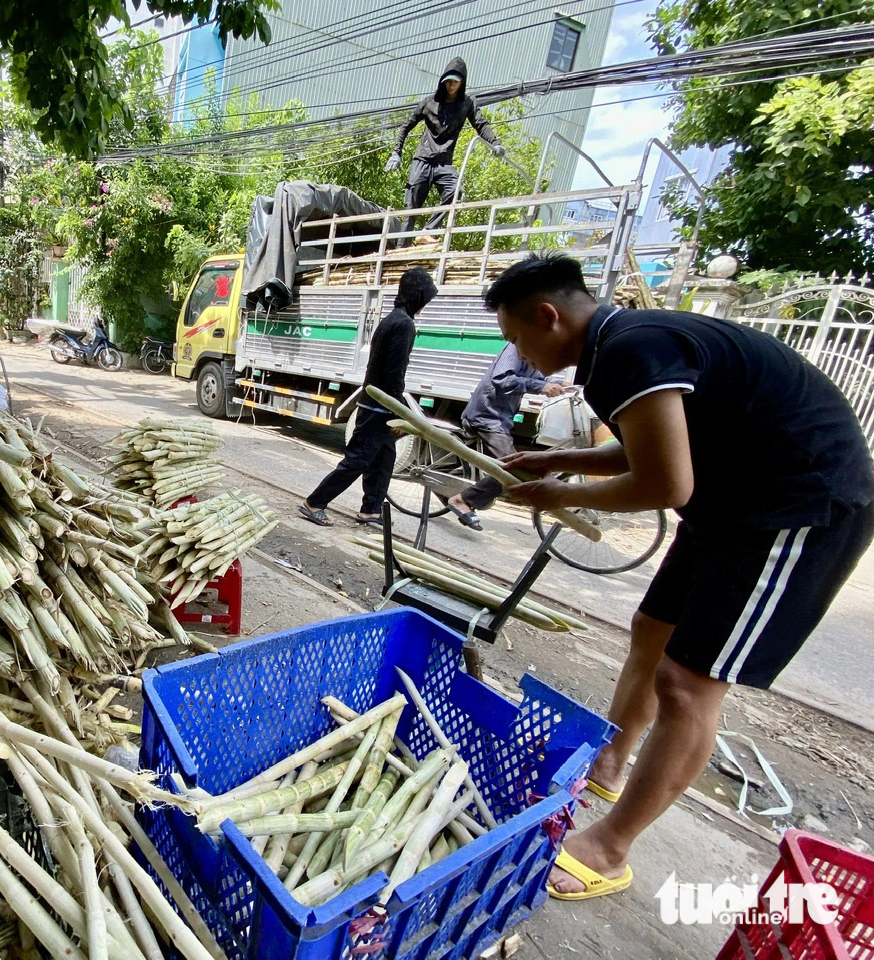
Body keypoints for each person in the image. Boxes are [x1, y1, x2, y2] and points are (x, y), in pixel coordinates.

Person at [485, 253, 873, 902]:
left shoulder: (632, 350)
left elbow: (667, 481)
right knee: (650, 631)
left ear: (549, 316)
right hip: (732, 501)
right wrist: (562, 462)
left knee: (688, 683)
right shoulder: (620, 347)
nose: (518, 354)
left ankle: (611, 849)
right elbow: (648, 450)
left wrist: (560, 496)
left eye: (517, 337)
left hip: (798, 508)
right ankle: (611, 762)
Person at [299, 268, 438, 527]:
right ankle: (314, 502)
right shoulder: (404, 325)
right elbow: (393, 372)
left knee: (383, 461)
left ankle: (371, 510)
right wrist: (398, 413)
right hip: (379, 408)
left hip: (376, 404)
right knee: (358, 460)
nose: (424, 305)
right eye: (425, 299)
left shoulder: (393, 319)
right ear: (417, 296)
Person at [445, 344, 567, 530]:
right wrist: (541, 386)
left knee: (515, 467)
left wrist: (556, 383)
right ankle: (462, 500)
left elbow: (538, 378)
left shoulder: (533, 349)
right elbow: (501, 379)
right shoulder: (516, 346)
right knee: (513, 469)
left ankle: (478, 493)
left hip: (501, 419)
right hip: (486, 416)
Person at [385, 57, 503, 243]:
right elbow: (405, 127)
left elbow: (481, 124)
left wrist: (495, 143)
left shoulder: (467, 104)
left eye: (455, 82)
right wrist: (396, 153)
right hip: (422, 160)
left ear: (462, 81)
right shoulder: (429, 102)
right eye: (448, 81)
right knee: (411, 206)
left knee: (455, 192)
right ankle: (401, 250)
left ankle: (428, 230)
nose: (451, 85)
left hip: (443, 164)